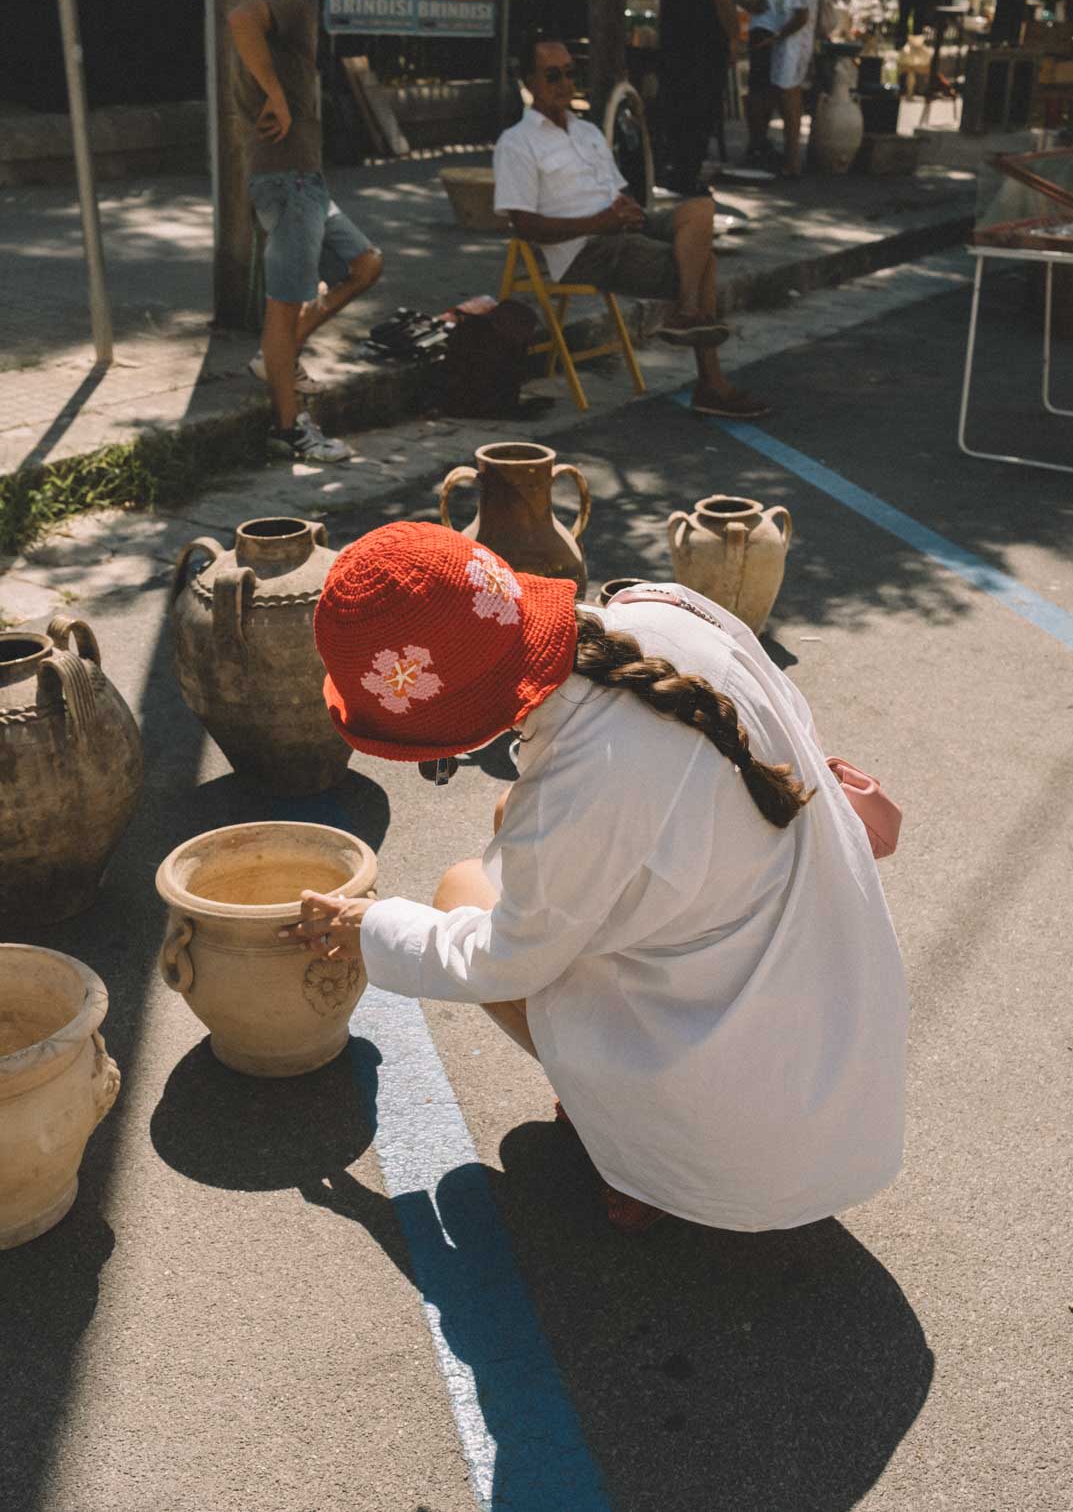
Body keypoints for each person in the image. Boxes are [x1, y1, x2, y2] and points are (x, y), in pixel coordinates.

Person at [283, 522, 908, 1237]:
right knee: (507, 820)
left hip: (744, 1163)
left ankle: (643, 1155)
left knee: (461, 891)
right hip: (847, 1083)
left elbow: (502, 959)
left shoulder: (577, 789)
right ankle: (643, 1123)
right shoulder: (663, 614)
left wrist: (371, 927)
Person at [493, 34, 769, 422]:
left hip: (616, 227)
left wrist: (629, 209)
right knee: (700, 260)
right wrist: (599, 222)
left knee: (700, 210)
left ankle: (687, 315)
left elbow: (617, 189)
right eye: (552, 76)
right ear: (528, 82)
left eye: (570, 74)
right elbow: (524, 226)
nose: (564, 84)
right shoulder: (517, 144)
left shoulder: (586, 131)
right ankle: (710, 381)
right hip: (581, 248)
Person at [228, 0, 384, 464]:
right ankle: (290, 428)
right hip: (287, 179)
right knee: (283, 306)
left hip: (303, 178)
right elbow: (241, 21)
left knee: (366, 263)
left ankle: (281, 352)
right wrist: (274, 93)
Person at [658, 0, 739, 195]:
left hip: (674, 38)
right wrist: (733, 37)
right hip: (704, 42)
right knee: (701, 108)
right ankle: (687, 174)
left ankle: (674, 167)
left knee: (677, 104)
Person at [768, 0, 822, 179]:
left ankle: (792, 160)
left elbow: (801, 16)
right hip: (798, 45)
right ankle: (792, 158)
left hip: (793, 46)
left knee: (790, 105)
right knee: (791, 104)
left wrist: (779, 34)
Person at [736, 0, 792, 166]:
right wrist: (747, 2)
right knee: (759, 84)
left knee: (775, 87)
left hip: (787, 29)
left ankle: (762, 138)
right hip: (764, 27)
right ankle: (755, 140)